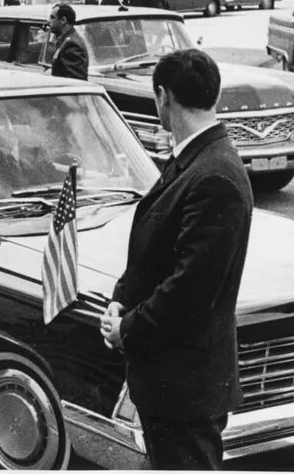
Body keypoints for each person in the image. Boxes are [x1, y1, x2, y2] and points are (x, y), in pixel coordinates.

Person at [100, 50, 253, 469]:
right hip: (172, 380)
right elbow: (156, 253)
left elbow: (189, 291)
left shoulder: (213, 174)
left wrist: (125, 330)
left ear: (163, 98)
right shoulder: (197, 158)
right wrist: (120, 298)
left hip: (185, 385)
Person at [47, 3, 89, 80]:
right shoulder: (65, 40)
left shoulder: (72, 44)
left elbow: (75, 81)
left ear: (63, 20)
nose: (48, 21)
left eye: (52, 18)